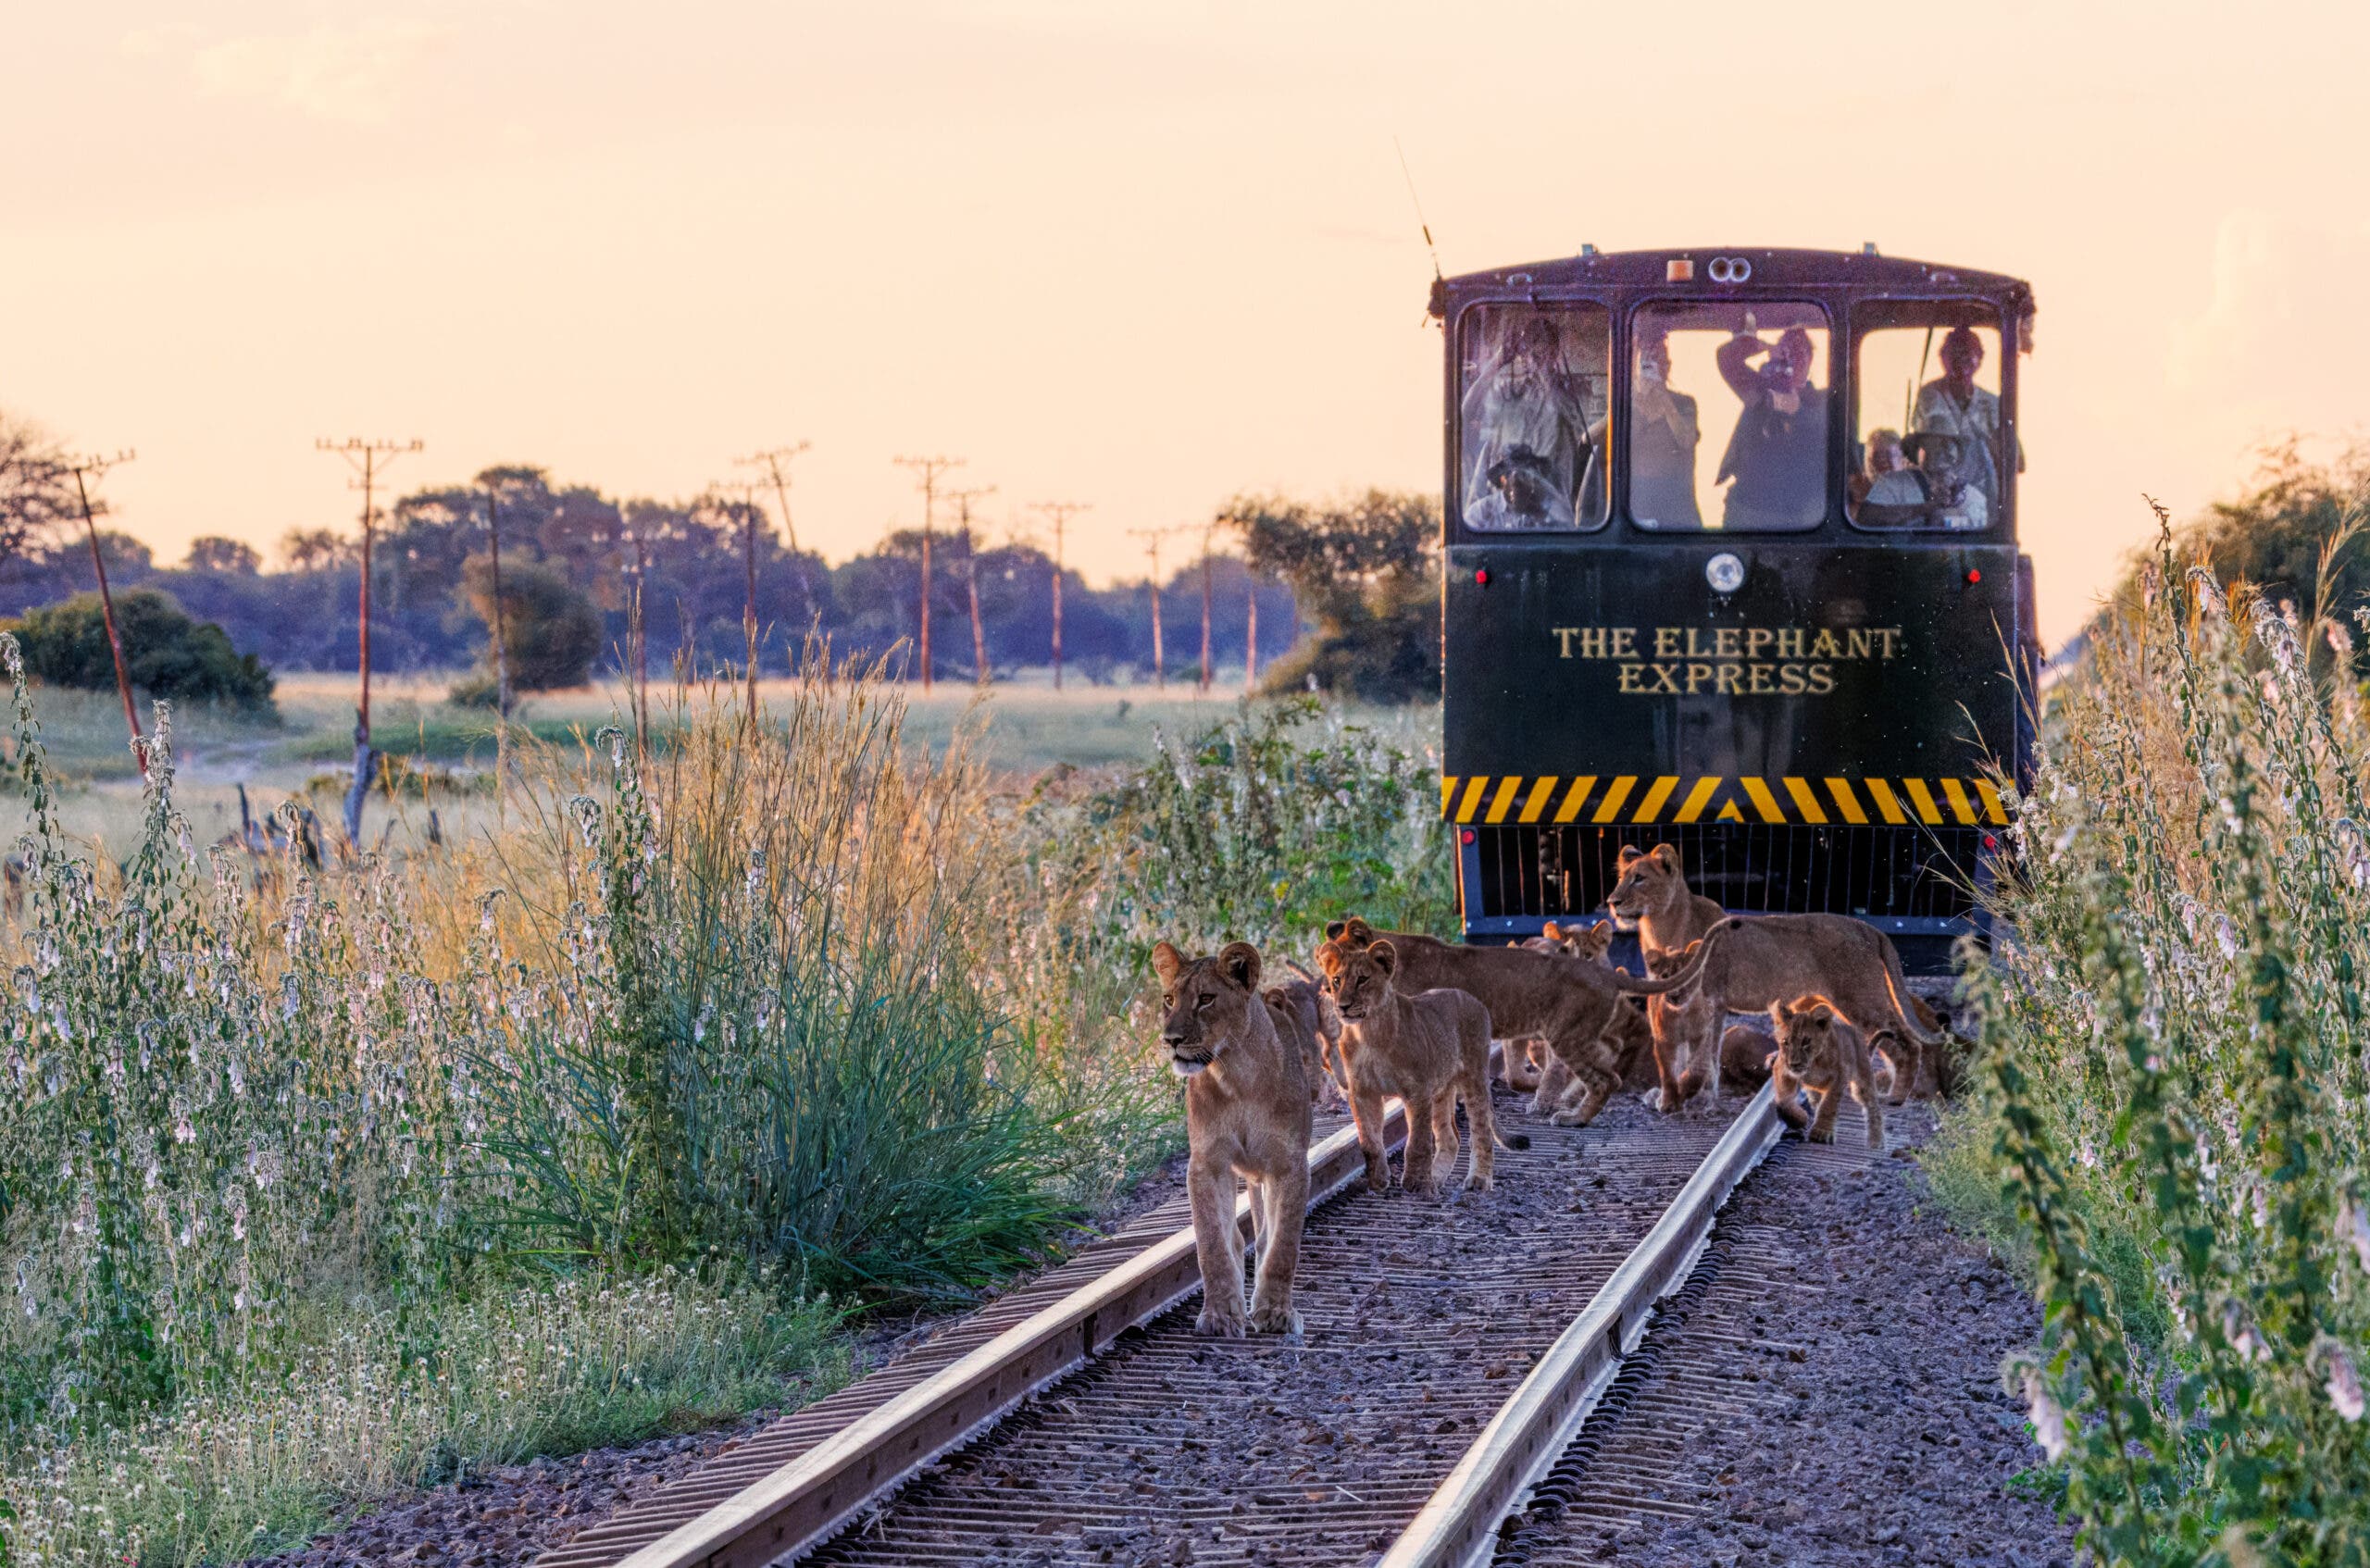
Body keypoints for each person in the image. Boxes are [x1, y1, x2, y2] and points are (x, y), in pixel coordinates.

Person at [1462, 313, 1587, 529]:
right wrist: (1497, 362)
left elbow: (1580, 434)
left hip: (1548, 513)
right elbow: (1467, 411)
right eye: (1529, 351)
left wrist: (1547, 382)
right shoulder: (1510, 393)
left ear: (1554, 354)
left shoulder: (1566, 398)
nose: (1534, 360)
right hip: (1504, 508)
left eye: (1542, 353)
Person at [1713, 324, 1827, 529]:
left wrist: (1796, 410)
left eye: (1799, 353)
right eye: (1786, 352)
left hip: (1796, 517)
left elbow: (1819, 427)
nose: (1791, 360)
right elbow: (1726, 358)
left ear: (1810, 361)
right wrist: (1764, 346)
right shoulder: (1757, 389)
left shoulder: (1821, 400)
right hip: (1746, 508)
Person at [1911, 326, 2022, 512]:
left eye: (1969, 353)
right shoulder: (1929, 395)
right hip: (1938, 497)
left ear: (1980, 359)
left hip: (1981, 501)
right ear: (1943, 357)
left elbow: (2016, 461)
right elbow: (1928, 445)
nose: (1962, 360)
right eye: (1955, 353)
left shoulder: (1992, 403)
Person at [1616, 326, 1702, 529]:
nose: (1653, 366)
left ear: (1668, 366)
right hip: (1634, 499)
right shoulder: (1624, 402)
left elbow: (1687, 440)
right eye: (1647, 361)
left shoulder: (1684, 403)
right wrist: (1633, 400)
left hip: (1676, 502)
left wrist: (1663, 397)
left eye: (1658, 361)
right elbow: (1594, 439)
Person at [1856, 430, 1987, 529]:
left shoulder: (1975, 498)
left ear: (1959, 452)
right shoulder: (1891, 483)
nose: (1939, 451)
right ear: (1917, 449)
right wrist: (1928, 508)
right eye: (1930, 443)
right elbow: (1866, 519)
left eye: (1947, 444)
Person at [1850, 427, 1907, 506]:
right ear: (1867, 459)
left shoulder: (1913, 487)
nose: (1885, 463)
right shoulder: (1854, 489)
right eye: (1878, 456)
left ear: (1903, 461)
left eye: (1893, 455)